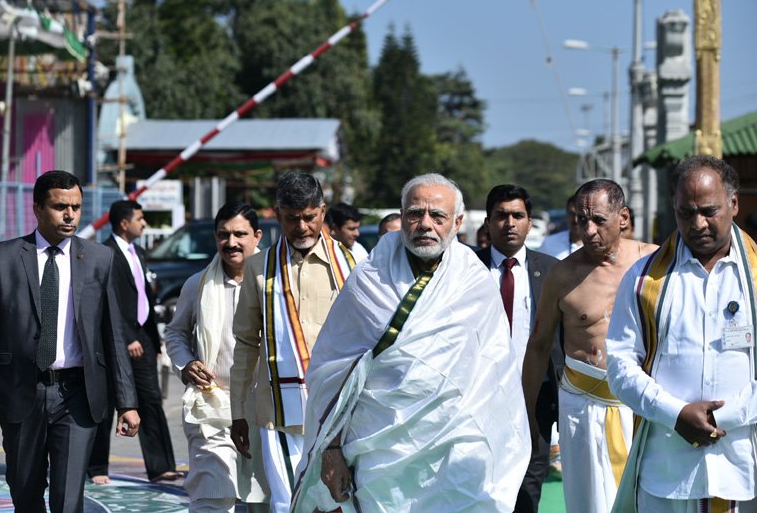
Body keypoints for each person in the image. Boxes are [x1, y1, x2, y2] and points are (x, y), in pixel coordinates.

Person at [293, 173, 530, 512]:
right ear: (402, 217)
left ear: (458, 222)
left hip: (454, 450)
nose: (425, 224)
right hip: (378, 451)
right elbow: (332, 371)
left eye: (438, 216)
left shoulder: (474, 281)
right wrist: (330, 449)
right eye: (415, 213)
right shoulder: (368, 279)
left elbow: (496, 377)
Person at [0, 170, 140, 512]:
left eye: (76, 206)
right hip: (21, 391)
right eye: (60, 206)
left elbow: (113, 334)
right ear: (38, 209)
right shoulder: (3, 257)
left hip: (77, 395)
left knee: (67, 498)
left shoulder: (100, 260)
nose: (70, 215)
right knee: (26, 493)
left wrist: (127, 402)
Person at [608, 156, 757, 511]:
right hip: (667, 468)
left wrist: (728, 416)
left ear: (733, 205)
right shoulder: (645, 279)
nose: (698, 223)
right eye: (685, 213)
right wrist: (675, 414)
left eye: (709, 210)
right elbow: (619, 365)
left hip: (742, 465)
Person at [521, 179, 657, 513]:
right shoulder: (562, 274)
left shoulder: (654, 263)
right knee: (589, 502)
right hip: (583, 405)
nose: (589, 230)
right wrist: (526, 412)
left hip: (644, 405)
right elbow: (538, 345)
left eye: (598, 220)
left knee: (651, 497)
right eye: (581, 221)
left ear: (622, 217)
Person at [230, 172, 364, 512]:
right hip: (280, 412)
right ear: (277, 214)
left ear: (322, 211)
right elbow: (246, 343)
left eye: (309, 217)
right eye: (292, 219)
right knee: (288, 504)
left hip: (342, 413)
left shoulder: (355, 266)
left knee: (343, 502)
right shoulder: (259, 268)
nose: (302, 227)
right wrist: (237, 413)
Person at [164, 202, 269, 512]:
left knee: (265, 500)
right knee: (212, 497)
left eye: (240, 234)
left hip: (264, 408)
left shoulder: (273, 283)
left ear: (257, 236)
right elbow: (175, 333)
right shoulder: (198, 284)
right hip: (212, 405)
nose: (231, 242)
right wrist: (186, 363)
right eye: (223, 235)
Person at [476, 184, 561, 513]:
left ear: (529, 222)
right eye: (500, 216)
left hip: (534, 397)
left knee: (529, 483)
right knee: (482, 480)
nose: (509, 223)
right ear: (487, 222)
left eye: (517, 215)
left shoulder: (553, 271)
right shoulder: (465, 269)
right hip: (480, 393)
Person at [87, 200, 181, 484]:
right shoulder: (104, 254)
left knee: (151, 399)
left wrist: (152, 338)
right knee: (105, 404)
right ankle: (96, 468)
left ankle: (161, 466)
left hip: (144, 336)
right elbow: (108, 299)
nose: (144, 223)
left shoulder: (138, 252)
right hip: (117, 337)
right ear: (124, 223)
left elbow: (143, 296)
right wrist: (126, 337)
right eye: (140, 218)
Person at [539, 195, 583, 260]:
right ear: (566, 215)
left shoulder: (599, 245)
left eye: (580, 215)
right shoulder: (549, 243)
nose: (576, 220)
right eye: (572, 214)